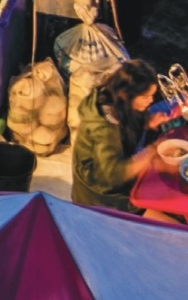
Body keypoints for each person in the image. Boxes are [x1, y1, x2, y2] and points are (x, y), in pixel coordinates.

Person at [72, 56, 170, 210]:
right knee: (169, 225)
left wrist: (146, 122)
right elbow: (113, 175)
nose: (151, 101)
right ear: (126, 94)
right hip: (100, 195)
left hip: (119, 181)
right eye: (145, 97)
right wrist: (153, 150)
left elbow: (129, 119)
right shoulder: (104, 127)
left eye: (152, 95)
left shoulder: (118, 100)